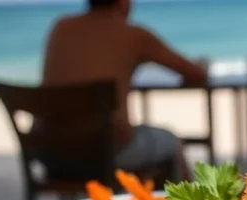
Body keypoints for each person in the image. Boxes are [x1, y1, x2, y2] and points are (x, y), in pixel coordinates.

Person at [41, 0, 206, 181]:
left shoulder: (61, 27)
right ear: (122, 2)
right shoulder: (134, 35)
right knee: (171, 142)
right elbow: (195, 74)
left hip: (51, 153)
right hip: (107, 153)